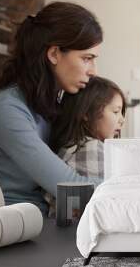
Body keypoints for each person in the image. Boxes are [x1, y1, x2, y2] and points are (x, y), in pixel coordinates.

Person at [0, 2, 103, 214]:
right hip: (12, 229)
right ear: (54, 54)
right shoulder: (6, 109)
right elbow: (70, 188)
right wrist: (137, 189)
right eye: (87, 59)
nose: (93, 71)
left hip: (44, 220)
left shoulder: (47, 102)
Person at [44, 76, 126, 216]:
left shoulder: (70, 145)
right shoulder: (92, 148)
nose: (122, 120)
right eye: (115, 112)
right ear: (87, 113)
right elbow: (105, 205)